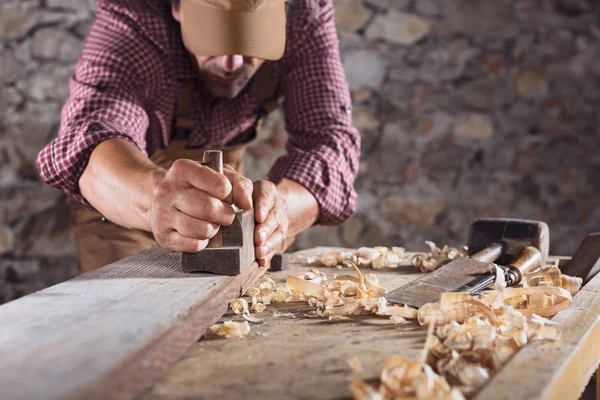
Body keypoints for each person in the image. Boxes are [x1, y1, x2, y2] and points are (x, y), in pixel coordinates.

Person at [36, 0, 360, 273]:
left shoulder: (302, 12)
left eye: (251, 41)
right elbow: (90, 138)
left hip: (223, 208)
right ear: (177, 6)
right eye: (212, 38)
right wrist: (155, 199)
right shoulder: (136, 12)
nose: (231, 64)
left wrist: (280, 211)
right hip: (127, 205)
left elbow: (329, 141)